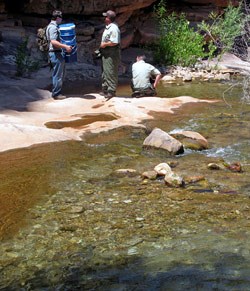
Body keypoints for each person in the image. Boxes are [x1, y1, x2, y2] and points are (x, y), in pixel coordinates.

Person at [46, 10, 72, 100]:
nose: (61, 20)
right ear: (57, 18)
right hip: (55, 53)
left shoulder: (52, 26)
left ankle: (57, 91)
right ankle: (56, 94)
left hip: (56, 53)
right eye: (61, 18)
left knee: (58, 73)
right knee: (58, 74)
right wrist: (65, 46)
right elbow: (53, 42)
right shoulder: (53, 27)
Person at [99, 10, 121, 99]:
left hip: (112, 54)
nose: (104, 18)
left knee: (111, 71)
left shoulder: (114, 28)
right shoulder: (108, 27)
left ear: (108, 18)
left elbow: (115, 42)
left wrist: (104, 44)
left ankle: (111, 91)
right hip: (106, 54)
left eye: (106, 16)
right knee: (105, 72)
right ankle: (105, 90)